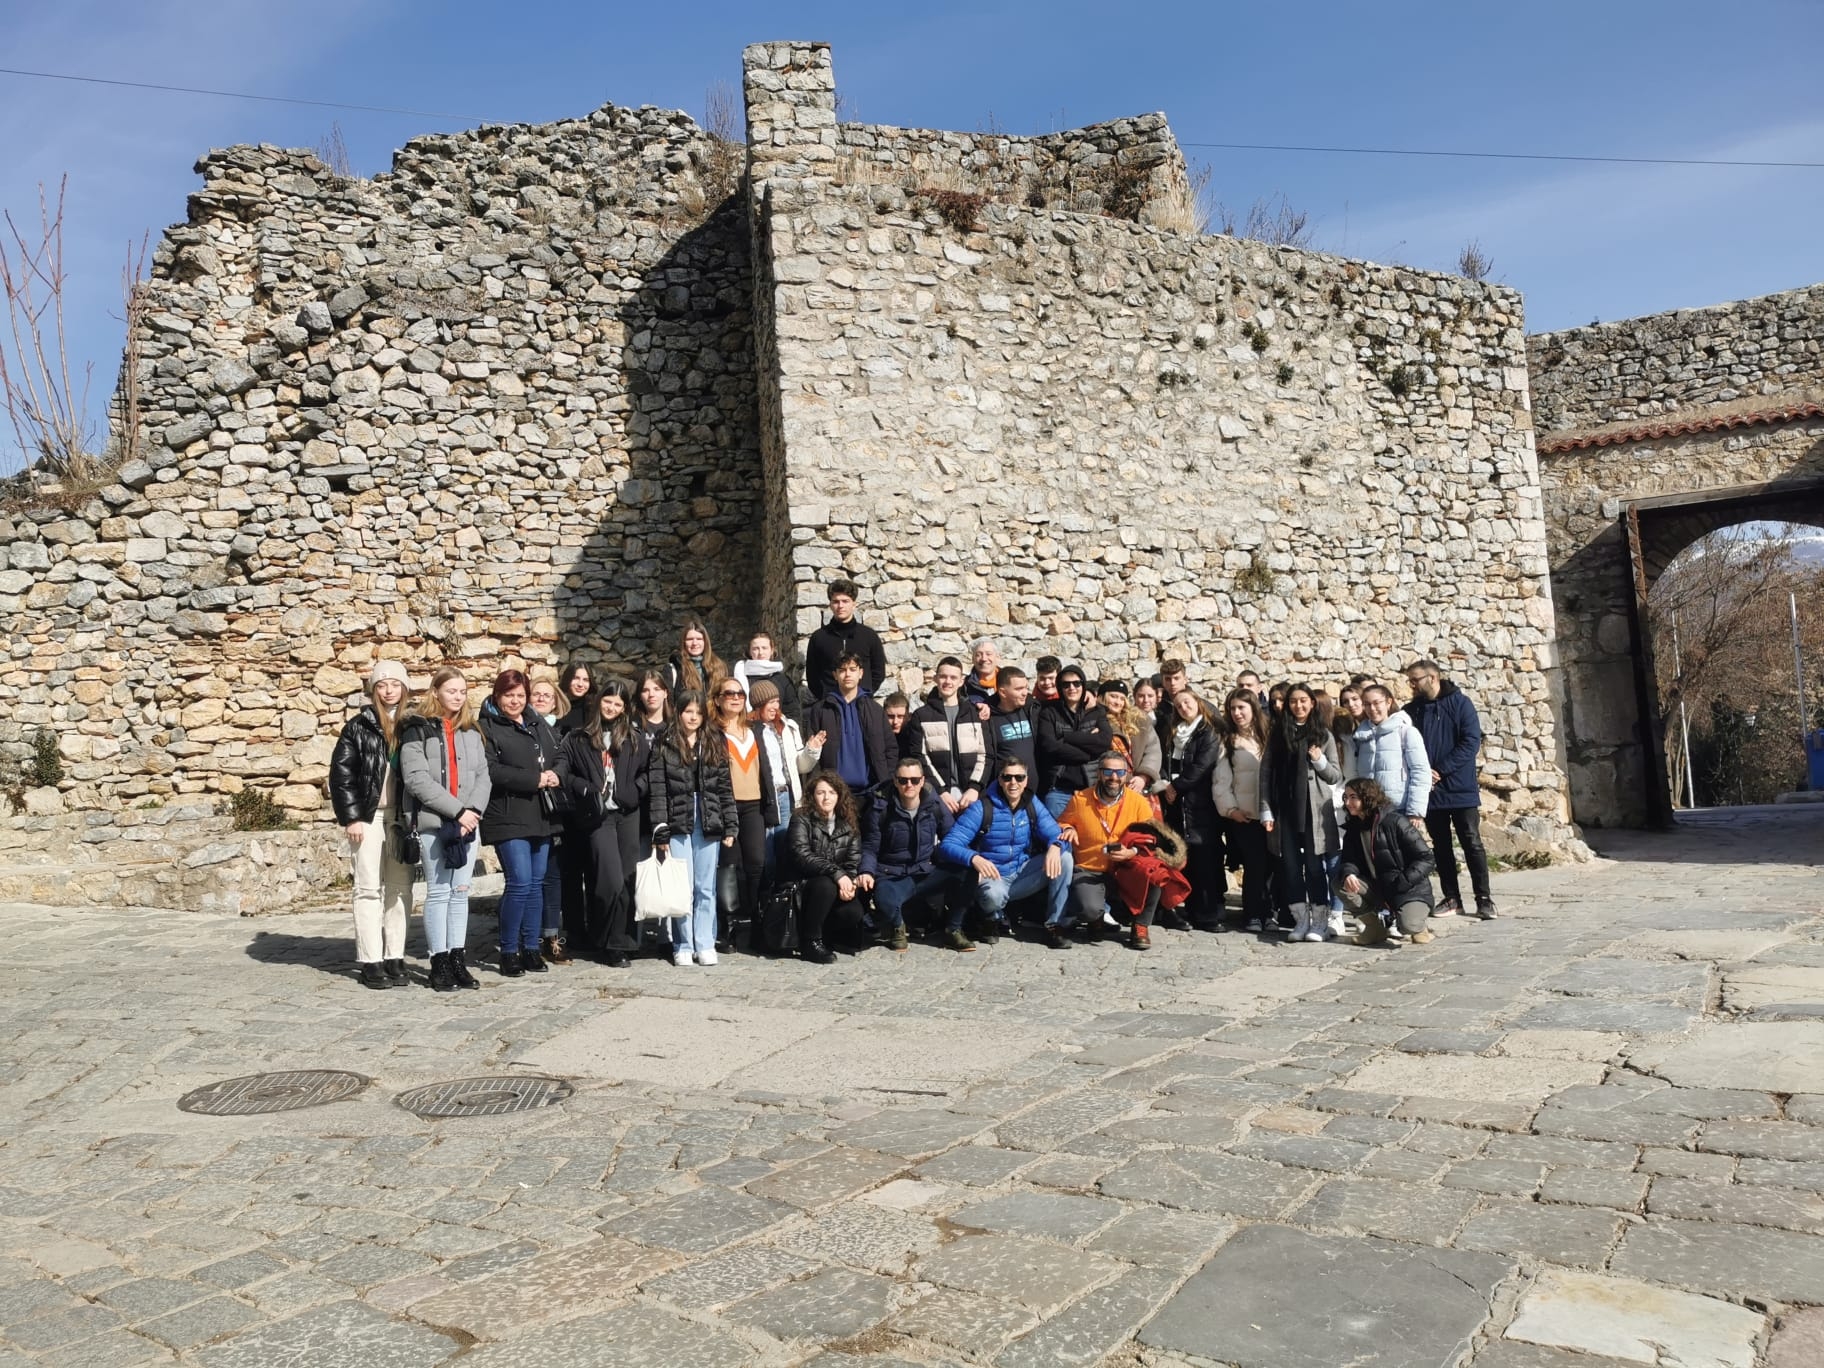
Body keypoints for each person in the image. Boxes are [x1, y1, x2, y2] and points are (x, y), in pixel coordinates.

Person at [400, 666, 490, 991]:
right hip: (434, 822)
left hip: (468, 824)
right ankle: (438, 963)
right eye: (451, 690)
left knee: (460, 892)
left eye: (463, 691)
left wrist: (473, 812)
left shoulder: (471, 732)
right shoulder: (416, 730)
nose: (458, 697)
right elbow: (416, 779)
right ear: (435, 691)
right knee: (439, 892)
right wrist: (458, 811)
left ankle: (457, 960)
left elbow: (483, 776)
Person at [330, 660, 416, 989]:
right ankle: (371, 960)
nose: (389, 690)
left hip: (401, 816)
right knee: (367, 889)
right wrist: (352, 816)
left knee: (400, 888)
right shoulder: (358, 726)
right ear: (374, 690)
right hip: (369, 816)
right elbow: (342, 774)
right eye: (382, 685)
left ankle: (395, 955)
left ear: (404, 688)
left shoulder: (413, 725)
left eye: (395, 684)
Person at [557, 680, 649, 966]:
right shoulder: (578, 738)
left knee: (627, 879)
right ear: (599, 702)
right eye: (608, 701)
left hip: (627, 814)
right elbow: (564, 770)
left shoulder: (635, 738)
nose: (611, 707)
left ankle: (620, 942)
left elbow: (649, 772)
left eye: (618, 704)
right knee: (609, 881)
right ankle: (604, 936)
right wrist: (584, 787)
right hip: (598, 817)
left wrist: (634, 791)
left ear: (625, 708)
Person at [477, 669, 562, 978]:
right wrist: (534, 779)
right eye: (509, 695)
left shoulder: (537, 723)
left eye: (520, 695)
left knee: (537, 883)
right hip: (507, 814)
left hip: (540, 813)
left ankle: (530, 947)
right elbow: (491, 770)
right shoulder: (486, 728)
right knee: (520, 882)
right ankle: (509, 950)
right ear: (497, 696)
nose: (515, 701)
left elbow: (559, 753)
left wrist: (555, 774)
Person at [938, 757, 1075, 948]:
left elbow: (1055, 833)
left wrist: (1056, 845)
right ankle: (990, 919)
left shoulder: (1031, 803)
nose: (1013, 783)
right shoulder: (982, 807)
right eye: (1007, 777)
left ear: (1026, 780)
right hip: (992, 877)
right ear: (1000, 780)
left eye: (1019, 777)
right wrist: (974, 858)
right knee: (994, 897)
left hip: (1022, 873)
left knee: (1064, 858)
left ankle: (1054, 926)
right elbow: (948, 845)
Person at [646, 690, 738, 966]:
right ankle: (683, 944)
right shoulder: (664, 742)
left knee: (705, 886)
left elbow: (724, 786)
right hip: (678, 819)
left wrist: (730, 824)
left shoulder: (715, 740)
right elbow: (658, 789)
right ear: (679, 713)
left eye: (698, 713)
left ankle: (705, 942)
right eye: (688, 711)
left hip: (708, 818)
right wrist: (660, 828)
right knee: (682, 887)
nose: (693, 717)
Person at [1404, 659, 1496, 920]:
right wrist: (1425, 774)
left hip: (1460, 789)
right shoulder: (1411, 711)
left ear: (1432, 678)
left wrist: (1441, 770)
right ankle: (1452, 897)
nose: (1412, 685)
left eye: (1415, 680)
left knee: (1472, 842)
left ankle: (1484, 899)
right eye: (1410, 680)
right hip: (1431, 792)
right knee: (1441, 846)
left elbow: (1470, 742)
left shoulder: (1460, 704)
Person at [1262, 683, 1344, 943]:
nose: (1298, 706)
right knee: (1290, 867)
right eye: (1293, 701)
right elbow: (1266, 774)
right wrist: (1266, 810)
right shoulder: (1278, 734)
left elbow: (1335, 775)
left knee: (1315, 866)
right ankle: (1301, 920)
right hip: (1285, 810)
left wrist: (1319, 760)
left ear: (1312, 703)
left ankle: (1320, 922)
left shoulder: (1323, 734)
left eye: (1303, 700)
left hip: (1314, 811)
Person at [1059, 751, 1160, 949]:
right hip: (1090, 870)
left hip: (1126, 869)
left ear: (1126, 775)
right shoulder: (1080, 799)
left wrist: (1132, 852)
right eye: (1108, 771)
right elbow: (1060, 823)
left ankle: (1140, 926)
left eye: (1119, 772)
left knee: (1156, 872)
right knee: (1088, 908)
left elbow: (1151, 839)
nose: (1114, 777)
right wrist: (1068, 828)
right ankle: (1095, 919)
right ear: (1098, 773)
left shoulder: (1139, 802)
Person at [858, 755, 960, 950]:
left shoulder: (934, 803)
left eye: (914, 780)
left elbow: (952, 837)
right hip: (891, 873)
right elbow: (870, 847)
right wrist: (866, 871)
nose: (909, 785)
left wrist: (972, 858)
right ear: (895, 781)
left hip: (924, 870)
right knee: (884, 899)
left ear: (922, 781)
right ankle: (897, 927)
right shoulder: (880, 808)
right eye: (903, 780)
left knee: (967, 871)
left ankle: (954, 929)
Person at [1337, 777, 1438, 946]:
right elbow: (1349, 860)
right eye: (1345, 797)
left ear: (1367, 797)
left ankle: (1420, 927)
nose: (1348, 802)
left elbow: (1426, 858)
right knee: (1340, 883)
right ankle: (1374, 928)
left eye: (1353, 797)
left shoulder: (1395, 822)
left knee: (1409, 927)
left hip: (1409, 889)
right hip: (1379, 888)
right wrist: (1349, 873)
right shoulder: (1353, 827)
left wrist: (1402, 883)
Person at [712, 676, 772, 951]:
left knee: (757, 864)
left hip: (754, 804)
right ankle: (728, 927)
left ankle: (759, 925)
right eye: (729, 693)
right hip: (727, 805)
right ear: (717, 699)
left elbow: (766, 769)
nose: (735, 698)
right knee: (728, 866)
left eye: (740, 694)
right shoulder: (713, 732)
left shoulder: (755, 729)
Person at [1160, 687, 1224, 929]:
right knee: (1184, 858)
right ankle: (1188, 909)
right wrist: (1166, 784)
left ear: (1197, 701)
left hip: (1200, 804)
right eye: (1178, 706)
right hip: (1178, 806)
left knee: (1204, 860)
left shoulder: (1208, 731)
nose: (1184, 708)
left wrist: (1176, 786)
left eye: (1187, 702)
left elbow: (1202, 765)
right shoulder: (1173, 732)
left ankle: (1207, 914)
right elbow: (1166, 763)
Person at [788, 771, 867, 963]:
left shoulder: (848, 823)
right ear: (812, 796)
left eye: (832, 792)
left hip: (835, 884)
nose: (826, 798)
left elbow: (852, 861)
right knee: (825, 885)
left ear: (839, 796)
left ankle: (828, 936)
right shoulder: (801, 818)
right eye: (821, 792)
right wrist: (837, 874)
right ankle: (810, 942)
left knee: (853, 911)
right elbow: (801, 855)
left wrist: (849, 883)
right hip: (804, 884)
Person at [904, 657, 988, 815]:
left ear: (961, 681)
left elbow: (986, 754)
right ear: (935, 678)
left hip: (972, 796)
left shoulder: (975, 714)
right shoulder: (921, 716)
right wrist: (940, 791)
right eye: (943, 676)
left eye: (953, 677)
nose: (948, 681)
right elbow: (919, 757)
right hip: (938, 797)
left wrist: (974, 787)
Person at [803, 654, 895, 795]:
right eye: (842, 670)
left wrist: (886, 781)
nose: (847, 674)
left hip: (871, 793)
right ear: (835, 675)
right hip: (833, 793)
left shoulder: (875, 710)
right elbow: (812, 751)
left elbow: (890, 748)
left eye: (852, 669)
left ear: (861, 673)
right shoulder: (821, 710)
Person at [749, 679, 811, 883]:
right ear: (758, 705)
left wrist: (812, 750)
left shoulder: (787, 726)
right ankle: (765, 895)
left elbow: (801, 766)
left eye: (777, 700)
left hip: (786, 795)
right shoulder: (749, 730)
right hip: (764, 797)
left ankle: (784, 894)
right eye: (770, 702)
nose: (775, 706)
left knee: (785, 848)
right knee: (766, 854)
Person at [528, 677, 573, 963]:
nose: (542, 699)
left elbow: (567, 761)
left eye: (548, 695)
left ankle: (552, 937)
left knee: (553, 876)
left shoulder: (562, 731)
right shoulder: (522, 727)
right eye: (537, 694)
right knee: (530, 877)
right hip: (528, 807)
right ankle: (529, 938)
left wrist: (558, 773)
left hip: (556, 808)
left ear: (556, 701)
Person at [1036, 663, 1114, 817]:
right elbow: (1049, 746)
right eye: (1066, 684)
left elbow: (1104, 741)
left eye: (1076, 683)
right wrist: (1087, 754)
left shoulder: (1097, 712)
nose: (1071, 688)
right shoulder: (1050, 713)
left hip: (1091, 788)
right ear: (1060, 687)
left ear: (1083, 685)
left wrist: (1067, 737)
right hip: (1059, 789)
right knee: (1058, 831)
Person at [1349, 684, 1433, 819]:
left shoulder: (1405, 732)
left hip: (1398, 809)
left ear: (1388, 702)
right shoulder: (1361, 737)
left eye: (1377, 703)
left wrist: (1415, 811)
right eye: (1367, 704)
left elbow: (1420, 771)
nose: (1372, 709)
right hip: (1369, 809)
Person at [804, 578, 887, 701]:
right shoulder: (819, 638)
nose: (840, 606)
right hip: (830, 704)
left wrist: (865, 693)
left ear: (854, 604)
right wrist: (825, 696)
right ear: (830, 605)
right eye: (836, 601)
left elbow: (878, 672)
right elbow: (812, 676)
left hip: (862, 703)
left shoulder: (869, 636)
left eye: (845, 601)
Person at [1099, 680, 1163, 791]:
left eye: (1122, 698)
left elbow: (1153, 750)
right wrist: (1127, 778)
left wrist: (1143, 777)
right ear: (1103, 697)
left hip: (1141, 784)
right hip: (1111, 783)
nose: (1118, 702)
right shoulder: (1095, 721)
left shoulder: (1139, 720)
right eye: (1113, 697)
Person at [983, 666, 1038, 784]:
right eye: (1019, 689)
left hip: (1034, 788)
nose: (1025, 693)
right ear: (1003, 692)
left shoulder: (1032, 708)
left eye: (1026, 687)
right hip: (1005, 787)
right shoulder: (987, 717)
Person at [732, 632, 801, 723]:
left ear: (771, 650)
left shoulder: (782, 680)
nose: (760, 653)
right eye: (755, 649)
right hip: (747, 727)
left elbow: (792, 711)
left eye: (764, 648)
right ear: (749, 652)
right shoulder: (741, 678)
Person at [661, 619, 728, 698]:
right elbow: (669, 701)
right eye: (690, 639)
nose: (694, 643)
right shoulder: (674, 668)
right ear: (684, 642)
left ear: (705, 642)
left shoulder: (719, 667)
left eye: (699, 639)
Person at [555, 661, 595, 736]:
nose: (580, 684)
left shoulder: (593, 708)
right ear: (567, 679)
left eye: (585, 680)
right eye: (576, 678)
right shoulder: (554, 704)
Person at [636, 669, 672, 745]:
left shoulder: (675, 727)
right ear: (640, 696)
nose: (651, 694)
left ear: (665, 693)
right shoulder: (633, 727)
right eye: (645, 690)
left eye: (657, 689)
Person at [964, 638, 1000, 714]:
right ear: (973, 659)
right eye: (978, 655)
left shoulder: (1009, 681)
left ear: (997, 657)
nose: (984, 659)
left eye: (988, 654)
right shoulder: (964, 686)